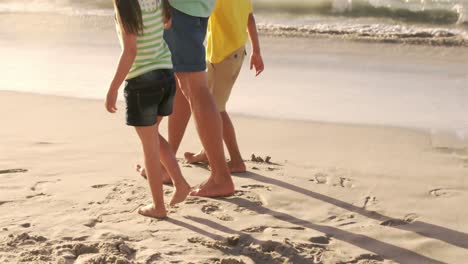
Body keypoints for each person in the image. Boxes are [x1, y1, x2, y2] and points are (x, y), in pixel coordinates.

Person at [105, 0, 191, 219]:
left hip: (142, 82)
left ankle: (158, 206)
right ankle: (180, 184)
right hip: (165, 75)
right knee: (152, 136)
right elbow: (167, 24)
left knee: (149, 147)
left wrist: (113, 88)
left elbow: (130, 51)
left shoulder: (125, 4)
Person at [162, 0, 235, 197]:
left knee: (195, 87)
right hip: (195, 9)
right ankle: (167, 165)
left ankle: (221, 178)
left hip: (180, 9)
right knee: (184, 82)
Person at [183, 0, 265, 173]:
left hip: (225, 56)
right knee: (209, 106)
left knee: (216, 110)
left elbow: (195, 12)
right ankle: (207, 152)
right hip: (223, 53)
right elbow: (249, 18)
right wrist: (256, 51)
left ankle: (236, 160)